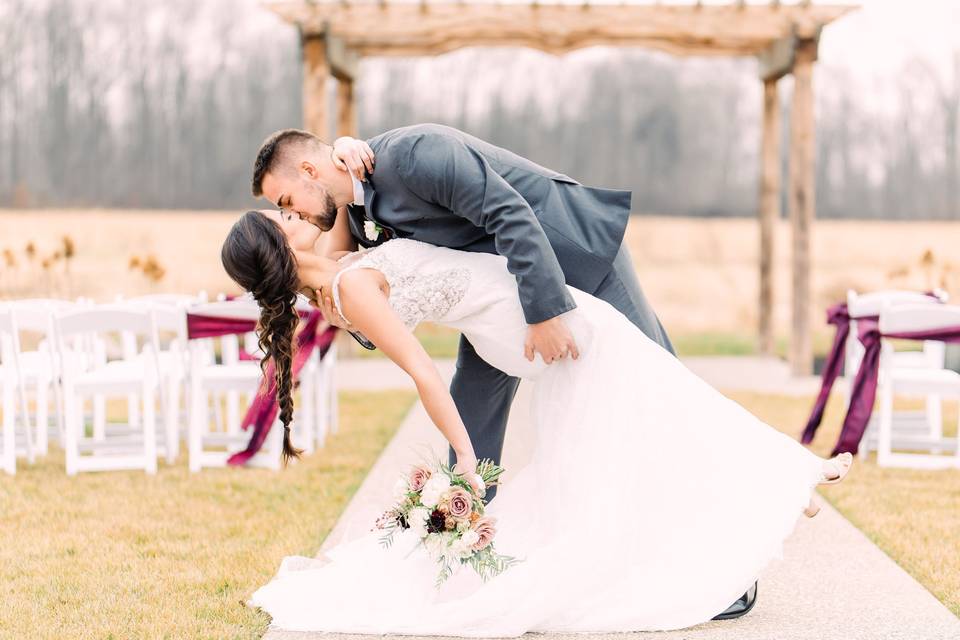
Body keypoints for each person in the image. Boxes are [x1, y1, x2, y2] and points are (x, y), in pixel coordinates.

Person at [219, 208, 853, 635]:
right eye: (284, 216)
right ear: (279, 244)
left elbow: (337, 202)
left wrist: (352, 152)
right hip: (537, 329)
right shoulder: (350, 291)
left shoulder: (338, 264)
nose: (297, 212)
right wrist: (464, 457)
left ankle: (790, 477)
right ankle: (792, 476)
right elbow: (423, 372)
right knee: (666, 397)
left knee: (662, 403)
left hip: (535, 317)